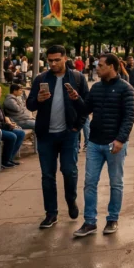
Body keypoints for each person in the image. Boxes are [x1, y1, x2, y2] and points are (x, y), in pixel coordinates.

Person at [27, 44, 90, 230]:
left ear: (65, 58)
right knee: (47, 175)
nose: (53, 63)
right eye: (50, 60)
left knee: (69, 171)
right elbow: (30, 105)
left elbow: (86, 106)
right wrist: (37, 99)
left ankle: (71, 200)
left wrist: (77, 126)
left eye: (56, 60)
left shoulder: (77, 78)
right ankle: (51, 213)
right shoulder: (41, 79)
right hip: (46, 135)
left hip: (68, 134)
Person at [73, 54, 134, 237]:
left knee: (116, 183)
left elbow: (129, 117)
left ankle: (112, 219)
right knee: (90, 183)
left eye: (100, 65)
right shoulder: (97, 88)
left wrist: (120, 139)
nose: (97, 68)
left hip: (114, 143)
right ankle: (90, 222)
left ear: (111, 66)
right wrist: (76, 98)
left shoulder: (126, 89)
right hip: (94, 142)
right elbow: (86, 109)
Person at [0, 85, 27, 169]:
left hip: (2, 125)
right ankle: (4, 161)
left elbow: (3, 114)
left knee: (21, 133)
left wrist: (7, 120)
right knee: (12, 136)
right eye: (0, 92)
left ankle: (10, 158)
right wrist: (6, 125)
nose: (1, 94)